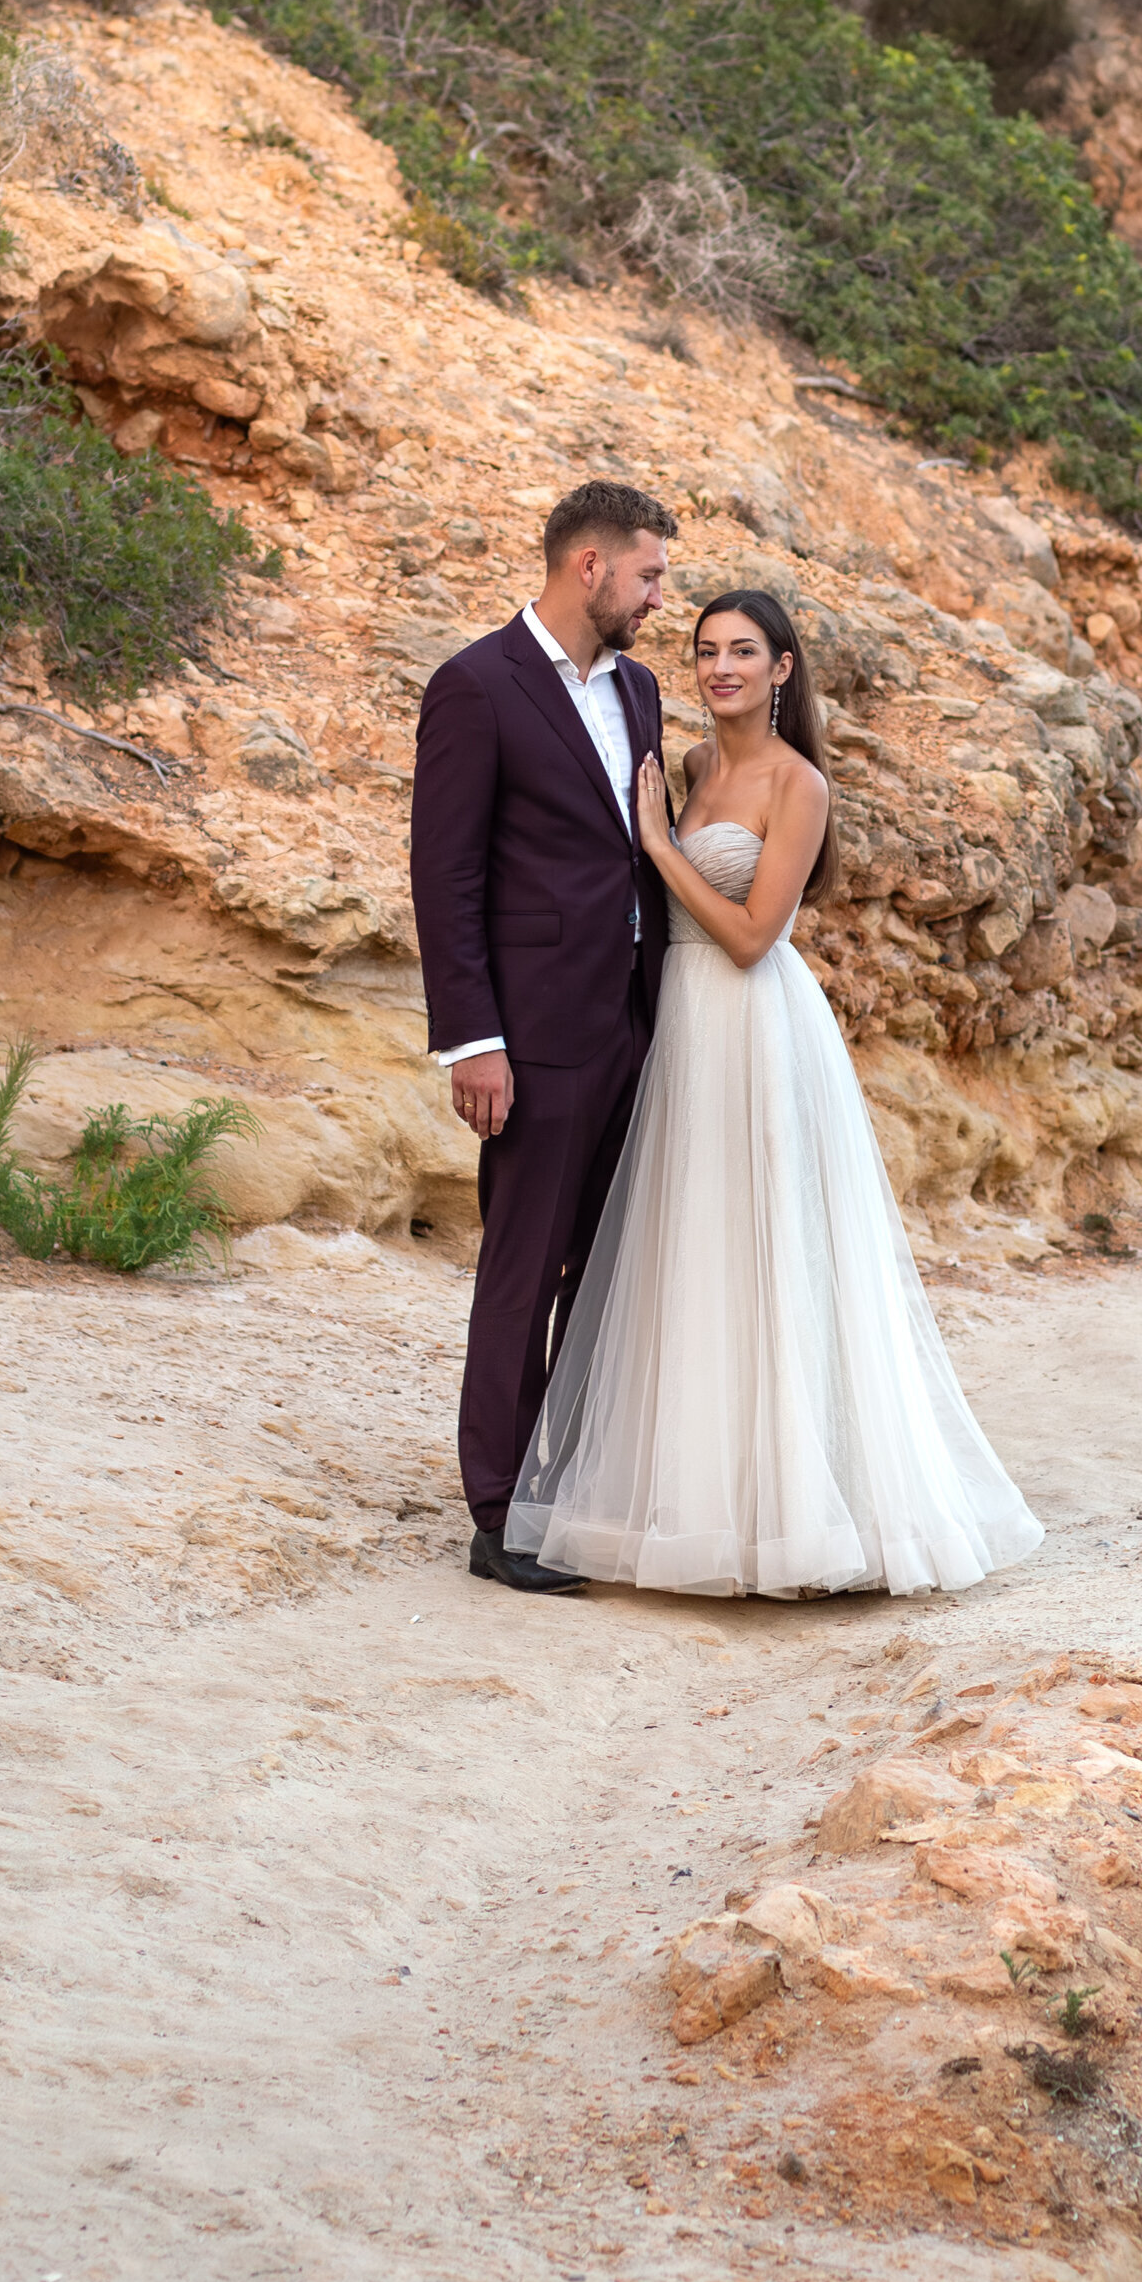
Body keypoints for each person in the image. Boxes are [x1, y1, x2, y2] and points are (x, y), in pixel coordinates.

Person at [506, 589, 1043, 1597]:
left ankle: (791, 1516)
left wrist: (659, 845)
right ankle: (691, 1502)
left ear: (781, 668)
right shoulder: (692, 764)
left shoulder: (799, 783)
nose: (720, 668)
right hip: (679, 1026)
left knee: (766, 1252)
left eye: (742, 651)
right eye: (705, 650)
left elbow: (754, 935)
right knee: (689, 1251)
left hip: (753, 1025)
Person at [410, 479, 677, 1592]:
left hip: (635, 1019)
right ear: (589, 566)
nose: (658, 598)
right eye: (648, 575)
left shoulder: (641, 688)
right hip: (533, 1031)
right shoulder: (476, 684)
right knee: (525, 1269)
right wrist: (472, 1037)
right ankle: (500, 1514)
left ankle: (573, 1489)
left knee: (608, 1271)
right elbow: (445, 875)